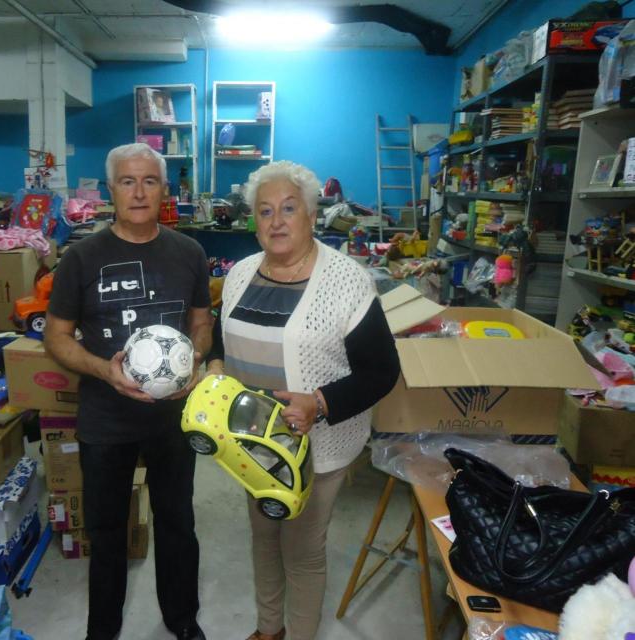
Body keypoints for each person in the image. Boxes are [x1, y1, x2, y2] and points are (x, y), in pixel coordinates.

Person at [206, 161, 400, 640]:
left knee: (302, 550)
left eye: (289, 209)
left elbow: (382, 370)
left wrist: (320, 402)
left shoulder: (347, 282)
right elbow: (221, 335)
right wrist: (213, 366)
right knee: (263, 537)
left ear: (312, 216)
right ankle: (268, 630)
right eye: (265, 210)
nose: (276, 221)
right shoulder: (241, 273)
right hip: (251, 441)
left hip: (315, 444)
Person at [44, 142, 213, 640]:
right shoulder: (83, 256)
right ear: (111, 189)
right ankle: (103, 630)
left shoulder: (189, 253)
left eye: (149, 181)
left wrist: (192, 359)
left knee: (178, 523)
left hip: (173, 417)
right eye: (127, 181)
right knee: (107, 531)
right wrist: (104, 369)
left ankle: (182, 622)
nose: (139, 192)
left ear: (164, 189)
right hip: (106, 418)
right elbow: (55, 336)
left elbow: (201, 322)